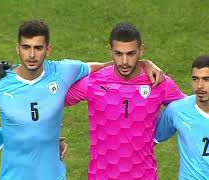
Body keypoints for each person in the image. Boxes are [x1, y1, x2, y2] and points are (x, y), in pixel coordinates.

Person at [0, 20, 163, 180]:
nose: (32, 55)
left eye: (38, 48)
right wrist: (0, 138)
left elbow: (106, 66)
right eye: (26, 47)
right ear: (17, 48)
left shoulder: (64, 71)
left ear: (48, 49)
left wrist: (145, 64)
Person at [64, 22, 185, 179]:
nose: (124, 61)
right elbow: (52, 100)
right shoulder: (94, 82)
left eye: (131, 54)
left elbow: (189, 110)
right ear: (110, 51)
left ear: (141, 50)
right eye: (118, 54)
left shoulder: (158, 83)